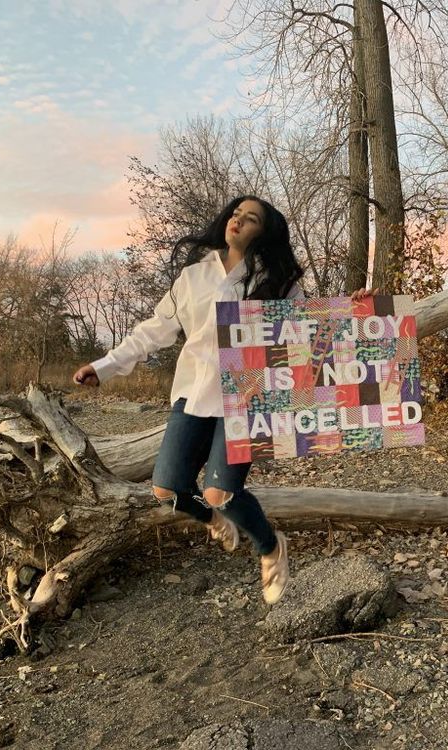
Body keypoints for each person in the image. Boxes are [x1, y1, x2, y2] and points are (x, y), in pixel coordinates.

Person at [72, 195, 307, 605]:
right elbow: (153, 331)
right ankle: (213, 520)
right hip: (193, 391)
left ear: (263, 233)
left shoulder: (279, 283)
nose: (238, 221)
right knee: (167, 488)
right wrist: (104, 366)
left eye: (250, 219)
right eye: (236, 214)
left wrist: (358, 313)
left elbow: (309, 331)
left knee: (223, 490)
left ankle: (270, 547)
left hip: (245, 398)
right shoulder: (194, 276)